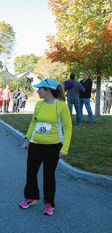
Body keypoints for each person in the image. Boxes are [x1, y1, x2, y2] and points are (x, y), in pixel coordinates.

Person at [19, 79, 72, 216]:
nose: (37, 91)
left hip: (53, 146)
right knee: (31, 172)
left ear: (48, 90)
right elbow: (33, 123)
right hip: (36, 144)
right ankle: (31, 197)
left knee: (48, 175)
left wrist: (64, 148)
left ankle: (49, 202)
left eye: (40, 89)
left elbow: (68, 128)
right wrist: (27, 139)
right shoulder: (39, 104)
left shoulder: (61, 106)